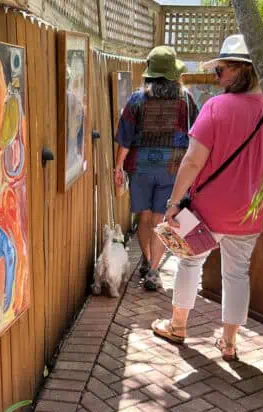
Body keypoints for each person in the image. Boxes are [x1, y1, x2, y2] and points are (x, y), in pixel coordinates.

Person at [151, 34, 263, 361]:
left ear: (240, 70)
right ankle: (229, 344)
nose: (216, 78)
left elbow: (193, 161)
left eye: (220, 71)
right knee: (237, 273)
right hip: (252, 211)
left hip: (207, 208)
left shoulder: (216, 107)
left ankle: (178, 326)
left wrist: (172, 203)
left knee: (190, 262)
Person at [114, 46, 197, 291]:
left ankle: (148, 260)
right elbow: (197, 134)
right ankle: (153, 270)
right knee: (162, 219)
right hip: (173, 166)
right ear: (173, 72)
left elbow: (125, 138)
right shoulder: (186, 98)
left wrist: (118, 167)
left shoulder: (137, 99)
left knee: (145, 217)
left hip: (140, 166)